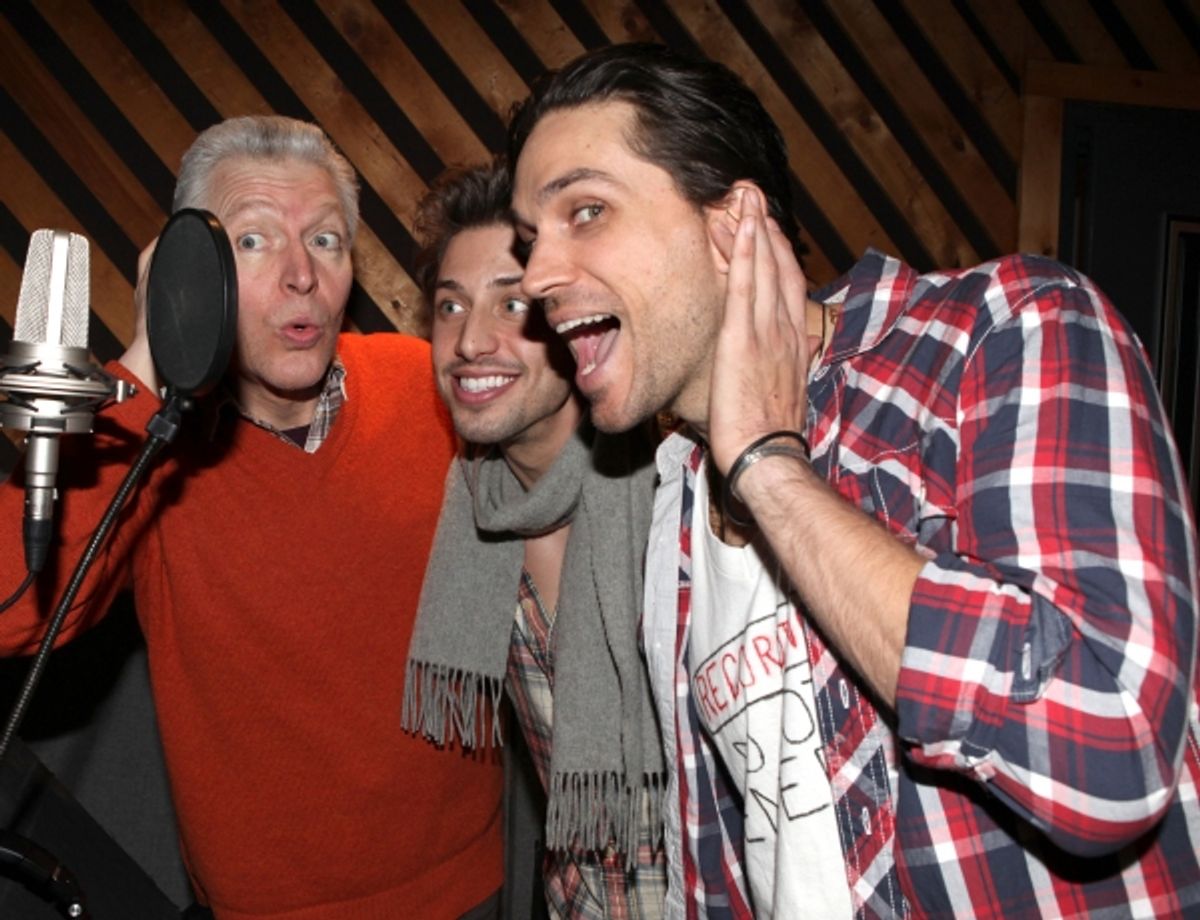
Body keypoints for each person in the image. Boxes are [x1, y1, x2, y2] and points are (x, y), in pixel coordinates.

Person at [506, 43, 1200, 919]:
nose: (534, 277)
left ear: (734, 225)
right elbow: (728, 855)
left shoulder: (1004, 331)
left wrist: (768, 463)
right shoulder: (675, 481)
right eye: (533, 239)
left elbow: (1107, 757)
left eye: (588, 210)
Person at [0, 115, 503, 919]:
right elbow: (14, 610)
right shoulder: (154, 447)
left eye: (328, 242)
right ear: (194, 269)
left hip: (467, 886)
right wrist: (147, 366)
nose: (302, 276)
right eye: (255, 242)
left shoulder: (424, 384)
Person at [402, 161, 667, 917]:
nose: (471, 341)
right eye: (450, 308)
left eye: (512, 304)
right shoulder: (473, 517)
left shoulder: (676, 498)